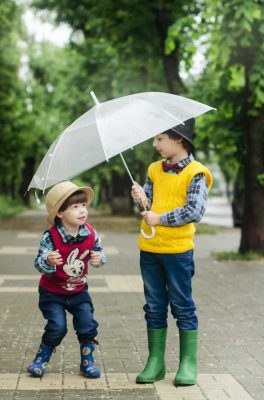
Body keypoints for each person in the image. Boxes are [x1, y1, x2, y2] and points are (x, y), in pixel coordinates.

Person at [131, 118, 213, 386]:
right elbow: (149, 209)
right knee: (154, 307)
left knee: (182, 306)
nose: (155, 145)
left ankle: (188, 363)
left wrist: (160, 218)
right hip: (150, 249)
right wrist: (142, 199)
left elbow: (194, 211)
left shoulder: (197, 173)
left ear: (178, 138)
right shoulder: (154, 169)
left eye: (159, 139)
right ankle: (156, 362)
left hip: (178, 252)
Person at [27, 181, 106, 379]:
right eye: (75, 206)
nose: (82, 210)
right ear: (60, 213)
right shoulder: (50, 237)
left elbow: (99, 253)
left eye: (84, 205)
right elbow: (38, 263)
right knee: (57, 326)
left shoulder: (91, 233)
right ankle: (41, 359)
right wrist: (48, 259)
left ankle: (87, 362)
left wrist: (98, 259)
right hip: (52, 292)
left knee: (87, 323)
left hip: (79, 291)